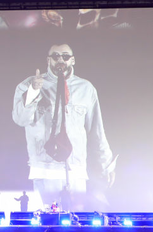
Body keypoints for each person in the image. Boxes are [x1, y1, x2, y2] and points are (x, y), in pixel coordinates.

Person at [12, 42, 116, 211]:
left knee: (75, 224)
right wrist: (32, 93)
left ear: (72, 60)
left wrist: (106, 165)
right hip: (44, 167)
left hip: (76, 168)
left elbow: (97, 130)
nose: (60, 60)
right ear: (48, 60)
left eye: (65, 56)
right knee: (47, 224)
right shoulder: (29, 85)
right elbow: (20, 119)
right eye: (55, 56)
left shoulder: (86, 88)